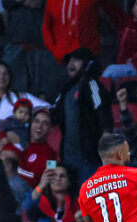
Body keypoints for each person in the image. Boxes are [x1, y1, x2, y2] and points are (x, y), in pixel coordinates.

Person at [53, 48, 113, 189]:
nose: (71, 64)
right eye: (69, 61)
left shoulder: (91, 83)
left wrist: (106, 134)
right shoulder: (66, 88)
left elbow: (102, 109)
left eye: (76, 60)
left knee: (88, 200)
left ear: (87, 64)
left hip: (88, 158)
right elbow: (54, 113)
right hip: (68, 158)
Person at [0, 62, 49, 168]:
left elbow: (46, 107)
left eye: (5, 74)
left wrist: (29, 119)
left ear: (10, 77)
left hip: (12, 152)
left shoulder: (19, 96)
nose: (1, 77)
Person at [2, 0, 67, 99]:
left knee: (46, 94)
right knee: (16, 91)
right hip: (17, 41)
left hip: (44, 42)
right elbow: (6, 3)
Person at [42, 0, 127, 64]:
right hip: (62, 57)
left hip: (88, 55)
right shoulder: (53, 1)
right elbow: (46, 27)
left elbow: (115, 13)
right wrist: (55, 50)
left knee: (90, 85)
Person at [19, 108, 58, 188]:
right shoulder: (19, 144)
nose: (39, 126)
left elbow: (45, 182)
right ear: (31, 123)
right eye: (36, 121)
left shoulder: (51, 156)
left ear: (50, 128)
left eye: (45, 123)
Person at [114, 0, 137, 78]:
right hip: (129, 69)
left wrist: (135, 58)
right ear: (133, 9)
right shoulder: (128, 29)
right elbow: (122, 56)